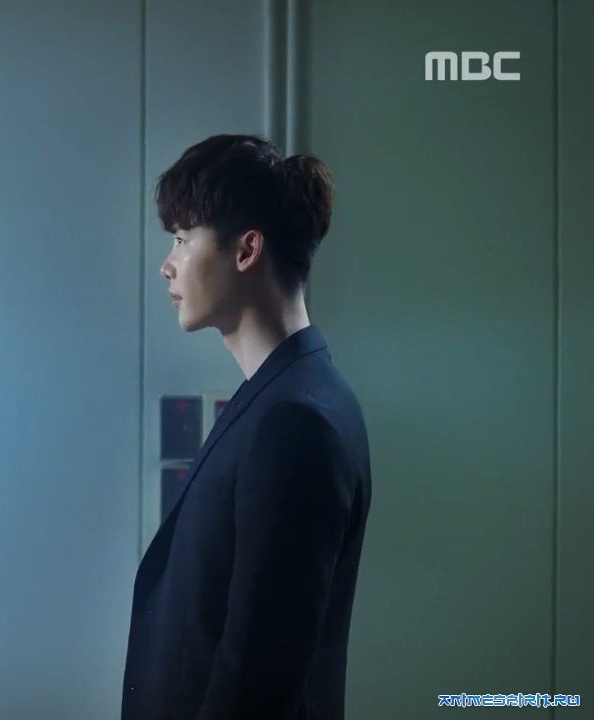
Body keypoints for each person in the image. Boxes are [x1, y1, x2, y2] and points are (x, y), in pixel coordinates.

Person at [122, 134, 372, 719]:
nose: (167, 265)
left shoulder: (296, 423)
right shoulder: (284, 397)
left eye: (183, 239)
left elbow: (259, 678)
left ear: (247, 250)